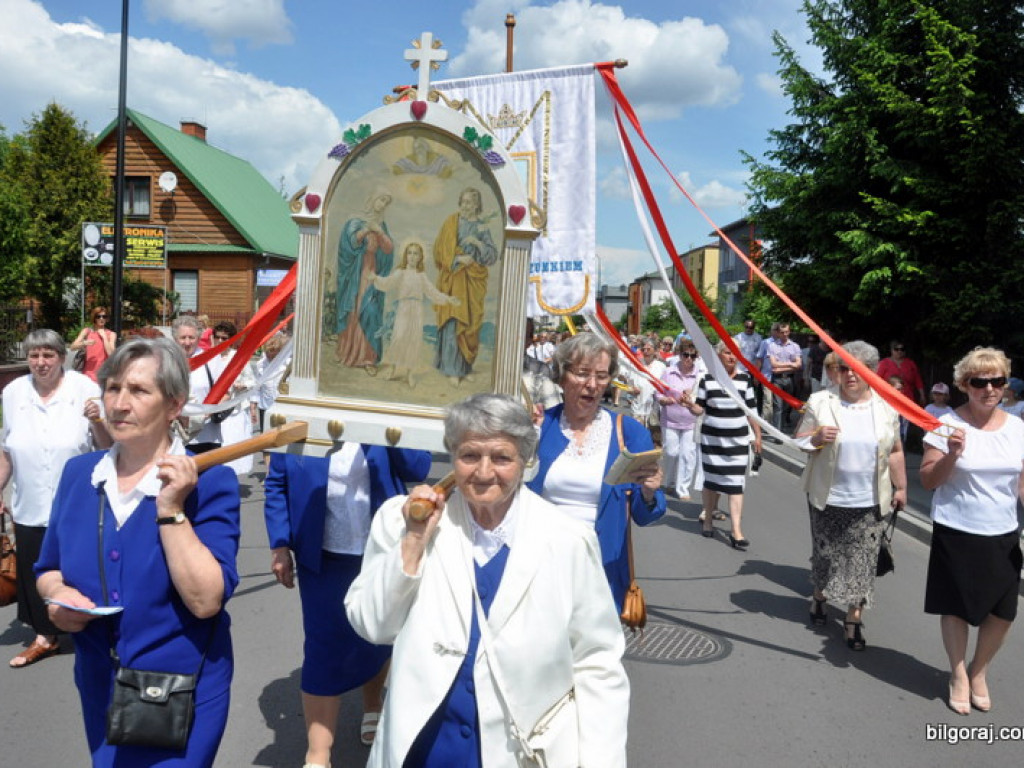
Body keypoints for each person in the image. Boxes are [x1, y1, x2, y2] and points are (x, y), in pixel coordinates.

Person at [345, 393, 630, 768]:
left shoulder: (568, 540)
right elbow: (373, 626)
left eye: (501, 457)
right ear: (451, 456)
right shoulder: (402, 521)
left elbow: (597, 662)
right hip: (423, 749)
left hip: (524, 752)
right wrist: (413, 541)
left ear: (525, 460)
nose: (483, 472)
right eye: (469, 456)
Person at [35, 337, 241, 766]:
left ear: (174, 406)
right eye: (112, 388)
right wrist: (57, 600)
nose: (120, 404)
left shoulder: (210, 482)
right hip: (100, 684)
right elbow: (48, 568)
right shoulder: (79, 475)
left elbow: (205, 601)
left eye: (139, 391)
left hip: (180, 687)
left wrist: (170, 508)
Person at [264, 444, 430, 768]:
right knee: (322, 647)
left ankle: (372, 704)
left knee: (376, 636)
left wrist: (383, 427)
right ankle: (318, 752)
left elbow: (418, 466)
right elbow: (277, 483)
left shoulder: (377, 418)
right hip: (322, 557)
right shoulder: (304, 418)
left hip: (379, 550)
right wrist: (280, 543)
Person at [526, 332, 666, 611]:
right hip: (540, 567)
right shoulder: (540, 427)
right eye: (582, 374)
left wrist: (650, 493)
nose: (592, 385)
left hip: (601, 568)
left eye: (602, 376)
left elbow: (643, 513)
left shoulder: (629, 433)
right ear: (562, 376)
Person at [920, 347, 1024, 716]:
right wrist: (951, 454)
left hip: (1004, 531)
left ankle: (980, 670)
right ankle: (958, 673)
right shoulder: (946, 424)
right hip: (958, 528)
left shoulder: (1017, 427)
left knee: (1003, 611)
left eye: (997, 380)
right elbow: (929, 481)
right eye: (980, 381)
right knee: (957, 607)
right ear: (965, 384)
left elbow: (1021, 482)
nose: (990, 388)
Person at [0, 330, 110, 667]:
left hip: (79, 504)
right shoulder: (14, 392)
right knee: (35, 569)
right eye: (34, 355)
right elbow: (6, 451)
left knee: (84, 568)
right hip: (29, 502)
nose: (40, 362)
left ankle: (97, 631)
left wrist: (97, 418)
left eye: (48, 355)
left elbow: (108, 447)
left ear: (62, 357)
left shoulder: (85, 389)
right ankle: (44, 636)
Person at [795, 341, 907, 651]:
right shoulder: (821, 401)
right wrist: (815, 438)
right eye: (845, 369)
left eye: (858, 370)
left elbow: (896, 451)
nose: (850, 376)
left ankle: (853, 619)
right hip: (827, 497)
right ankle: (820, 597)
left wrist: (901, 487)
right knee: (826, 557)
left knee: (862, 563)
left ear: (872, 372)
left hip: (870, 502)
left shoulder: (886, 407)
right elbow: (799, 441)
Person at [690, 340, 762, 548]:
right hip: (712, 440)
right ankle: (709, 521)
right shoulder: (707, 379)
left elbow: (751, 411)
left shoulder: (744, 379)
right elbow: (699, 409)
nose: (732, 357)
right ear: (719, 355)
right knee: (711, 481)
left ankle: (736, 531)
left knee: (735, 483)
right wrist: (689, 405)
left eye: (735, 354)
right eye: (728, 353)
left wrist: (757, 436)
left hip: (737, 440)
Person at [369, 239, 460, 387]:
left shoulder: (421, 275)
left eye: (415, 254)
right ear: (405, 256)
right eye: (409, 253)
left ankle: (410, 373)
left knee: (413, 340)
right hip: (404, 308)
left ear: (420, 257)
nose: (412, 256)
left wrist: (448, 299)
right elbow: (388, 282)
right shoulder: (401, 272)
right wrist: (376, 278)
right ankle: (392, 369)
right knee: (398, 337)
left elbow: (432, 292)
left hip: (417, 309)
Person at [433, 186, 499, 386]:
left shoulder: (482, 227)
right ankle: (452, 369)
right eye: (463, 202)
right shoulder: (451, 223)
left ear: (477, 204)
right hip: (454, 280)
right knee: (455, 322)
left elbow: (492, 255)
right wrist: (459, 259)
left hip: (474, 281)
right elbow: (440, 251)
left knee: (472, 323)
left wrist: (477, 246)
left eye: (469, 202)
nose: (465, 205)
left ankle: (465, 366)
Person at [336, 187, 395, 371]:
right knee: (354, 311)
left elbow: (389, 249)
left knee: (370, 311)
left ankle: (369, 358)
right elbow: (349, 244)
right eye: (381, 200)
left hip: (371, 273)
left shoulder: (381, 225)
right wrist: (365, 230)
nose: (383, 204)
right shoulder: (356, 221)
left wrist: (380, 232)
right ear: (372, 199)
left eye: (386, 202)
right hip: (356, 273)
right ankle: (349, 354)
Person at [658, 340, 701, 501]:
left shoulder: (699, 375)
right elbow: (659, 391)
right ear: (680, 355)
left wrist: (692, 396)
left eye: (692, 356)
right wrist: (663, 399)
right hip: (670, 418)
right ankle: (669, 481)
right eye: (685, 355)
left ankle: (682, 487)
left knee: (687, 455)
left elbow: (702, 396)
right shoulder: (668, 372)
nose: (689, 359)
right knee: (671, 452)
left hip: (691, 421)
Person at [626, 338, 667, 442]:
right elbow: (628, 386)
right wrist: (632, 390)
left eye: (649, 349)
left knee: (655, 440)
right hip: (638, 408)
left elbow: (666, 387)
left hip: (655, 410)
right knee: (638, 439)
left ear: (655, 350)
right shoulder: (635, 365)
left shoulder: (661, 366)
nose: (646, 351)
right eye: (643, 349)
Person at [766, 322, 802, 431]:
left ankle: (783, 424)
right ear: (778, 333)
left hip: (790, 379)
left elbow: (799, 365)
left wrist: (781, 367)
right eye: (782, 332)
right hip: (777, 380)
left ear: (789, 332)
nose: (785, 334)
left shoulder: (795, 346)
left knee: (787, 406)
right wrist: (791, 364)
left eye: (787, 332)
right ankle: (778, 432)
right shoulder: (772, 346)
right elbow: (773, 365)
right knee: (778, 407)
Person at [70, 306, 118, 382]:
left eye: (104, 316)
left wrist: (104, 337)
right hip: (88, 374)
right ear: (94, 318)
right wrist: (85, 343)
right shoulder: (87, 331)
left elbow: (111, 354)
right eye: (98, 316)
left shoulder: (111, 334)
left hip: (103, 375)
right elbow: (72, 347)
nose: (101, 319)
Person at [876, 341, 925, 405]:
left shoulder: (910, 364)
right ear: (891, 350)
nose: (899, 351)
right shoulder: (884, 363)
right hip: (889, 399)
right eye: (896, 349)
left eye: (902, 349)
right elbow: (876, 380)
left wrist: (922, 395)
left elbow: (918, 380)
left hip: (907, 399)